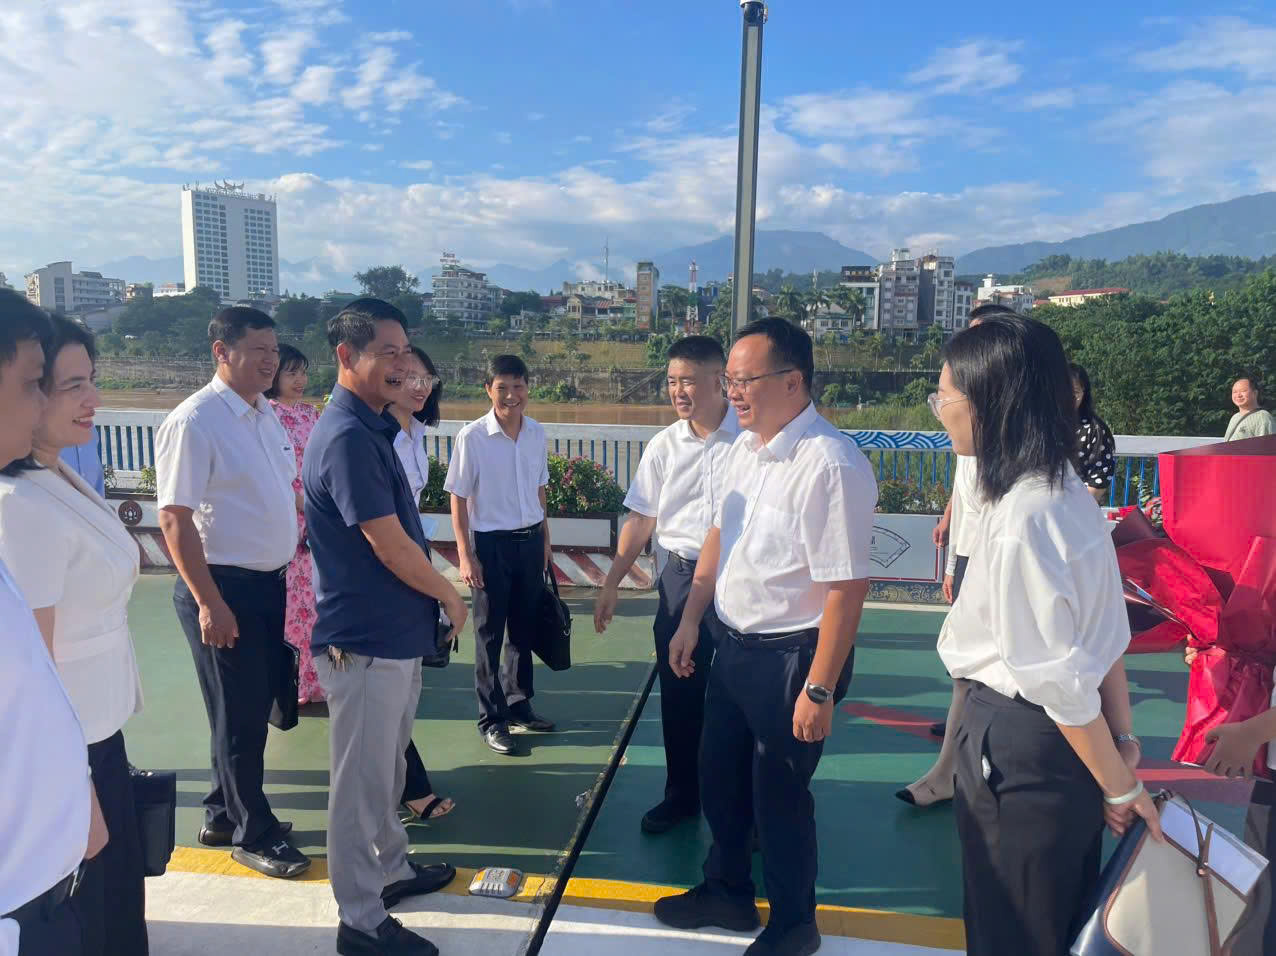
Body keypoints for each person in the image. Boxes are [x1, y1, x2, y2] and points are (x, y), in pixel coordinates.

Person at [932, 314, 1161, 955]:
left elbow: (1054, 679)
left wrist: (1120, 783)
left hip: (1020, 747)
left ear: (989, 402)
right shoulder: (1066, 493)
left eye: (944, 397)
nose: (940, 413)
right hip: (1067, 747)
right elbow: (1104, 637)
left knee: (1013, 928)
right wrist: (1120, 747)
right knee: (1056, 917)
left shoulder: (1021, 517)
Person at [653, 318, 877, 956]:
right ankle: (725, 891)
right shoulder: (743, 451)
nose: (733, 392)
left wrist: (820, 689)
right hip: (733, 646)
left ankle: (794, 923)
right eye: (729, 380)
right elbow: (717, 539)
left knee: (778, 794)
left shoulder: (830, 464)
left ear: (793, 381)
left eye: (744, 380)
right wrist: (691, 618)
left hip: (792, 658)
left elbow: (846, 588)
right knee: (719, 777)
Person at [304, 298, 466, 956]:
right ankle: (361, 920)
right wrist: (450, 595)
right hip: (363, 643)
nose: (402, 365)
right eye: (388, 353)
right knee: (361, 788)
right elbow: (389, 543)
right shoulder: (347, 437)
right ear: (347, 356)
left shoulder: (373, 429)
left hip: (391, 637)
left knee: (388, 770)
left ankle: (392, 869)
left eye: (406, 352)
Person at [0, 317, 147, 956]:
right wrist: (77, 786)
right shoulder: (18, 505)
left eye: (93, 381)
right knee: (97, 919)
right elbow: (36, 664)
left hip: (99, 730)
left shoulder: (56, 474)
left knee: (117, 907)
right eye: (68, 385)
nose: (93, 399)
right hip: (74, 750)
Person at [155, 306, 309, 879]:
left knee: (248, 705)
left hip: (267, 585)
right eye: (258, 350)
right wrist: (209, 602)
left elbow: (280, 491)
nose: (271, 361)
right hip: (223, 589)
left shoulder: (265, 414)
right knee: (239, 715)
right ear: (222, 352)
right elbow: (174, 518)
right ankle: (253, 832)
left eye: (275, 351)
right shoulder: (196, 421)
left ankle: (223, 813)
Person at [593, 335, 738, 834]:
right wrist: (612, 581)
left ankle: (741, 805)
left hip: (737, 577)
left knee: (739, 696)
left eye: (688, 381)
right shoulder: (664, 445)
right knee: (680, 691)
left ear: (719, 381)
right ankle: (681, 796)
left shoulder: (750, 440)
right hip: (678, 578)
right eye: (672, 381)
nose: (678, 391)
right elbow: (641, 518)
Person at [445, 354, 555, 755]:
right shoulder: (472, 437)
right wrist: (465, 554)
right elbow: (458, 497)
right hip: (491, 546)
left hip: (530, 542)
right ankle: (491, 719)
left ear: (528, 388)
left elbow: (540, 489)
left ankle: (519, 703)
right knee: (490, 634)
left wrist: (546, 541)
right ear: (488, 390)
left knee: (523, 629)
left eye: (518, 386)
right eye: (502, 387)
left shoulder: (536, 433)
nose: (511, 395)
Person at [387, 346, 455, 824]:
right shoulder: (374, 436)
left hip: (413, 557)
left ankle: (400, 781)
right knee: (387, 689)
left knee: (407, 686)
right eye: (407, 376)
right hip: (387, 567)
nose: (418, 386)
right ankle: (410, 786)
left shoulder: (415, 433)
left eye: (425, 378)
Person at [267, 344, 324, 705]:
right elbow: (273, 475)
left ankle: (317, 681)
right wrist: (305, 504)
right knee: (291, 608)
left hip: (317, 522)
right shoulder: (267, 416)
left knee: (315, 604)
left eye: (302, 372)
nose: (300, 380)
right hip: (288, 522)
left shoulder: (311, 413)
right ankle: (293, 686)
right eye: (291, 373)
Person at [1070, 363, 1116, 505]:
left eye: (1075, 392)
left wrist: (1072, 509)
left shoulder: (1095, 430)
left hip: (1079, 508)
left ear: (1084, 393)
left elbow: (1100, 476)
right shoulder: (1043, 428)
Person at [59, 428, 105, 496]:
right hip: (59, 498)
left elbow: (96, 470)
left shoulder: (90, 429)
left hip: (90, 499)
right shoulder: (52, 431)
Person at [1226, 377, 1275, 441]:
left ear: (1255, 393)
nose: (1238, 395)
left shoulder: (1262, 417)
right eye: (1235, 392)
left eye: (1243, 391)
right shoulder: (1234, 417)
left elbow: (1267, 445)